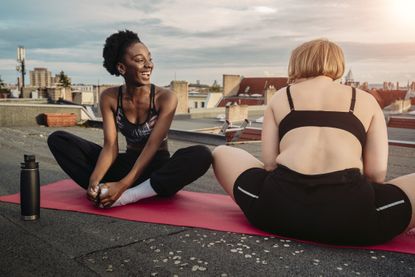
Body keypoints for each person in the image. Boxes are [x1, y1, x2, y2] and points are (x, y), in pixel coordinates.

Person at [212, 38, 414, 245]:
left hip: (275, 213)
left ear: (298, 63)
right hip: (354, 222)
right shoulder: (366, 100)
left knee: (221, 152)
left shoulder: (281, 97)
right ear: (338, 64)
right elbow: (376, 174)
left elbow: (270, 164)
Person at [48, 30, 212, 208]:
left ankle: (130, 194)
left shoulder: (165, 97)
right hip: (127, 165)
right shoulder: (110, 97)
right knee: (59, 140)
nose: (149, 65)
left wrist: (123, 186)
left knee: (201, 154)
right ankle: (101, 190)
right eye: (140, 60)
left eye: (150, 59)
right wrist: (93, 181)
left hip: (158, 170)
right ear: (121, 68)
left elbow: (152, 145)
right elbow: (110, 146)